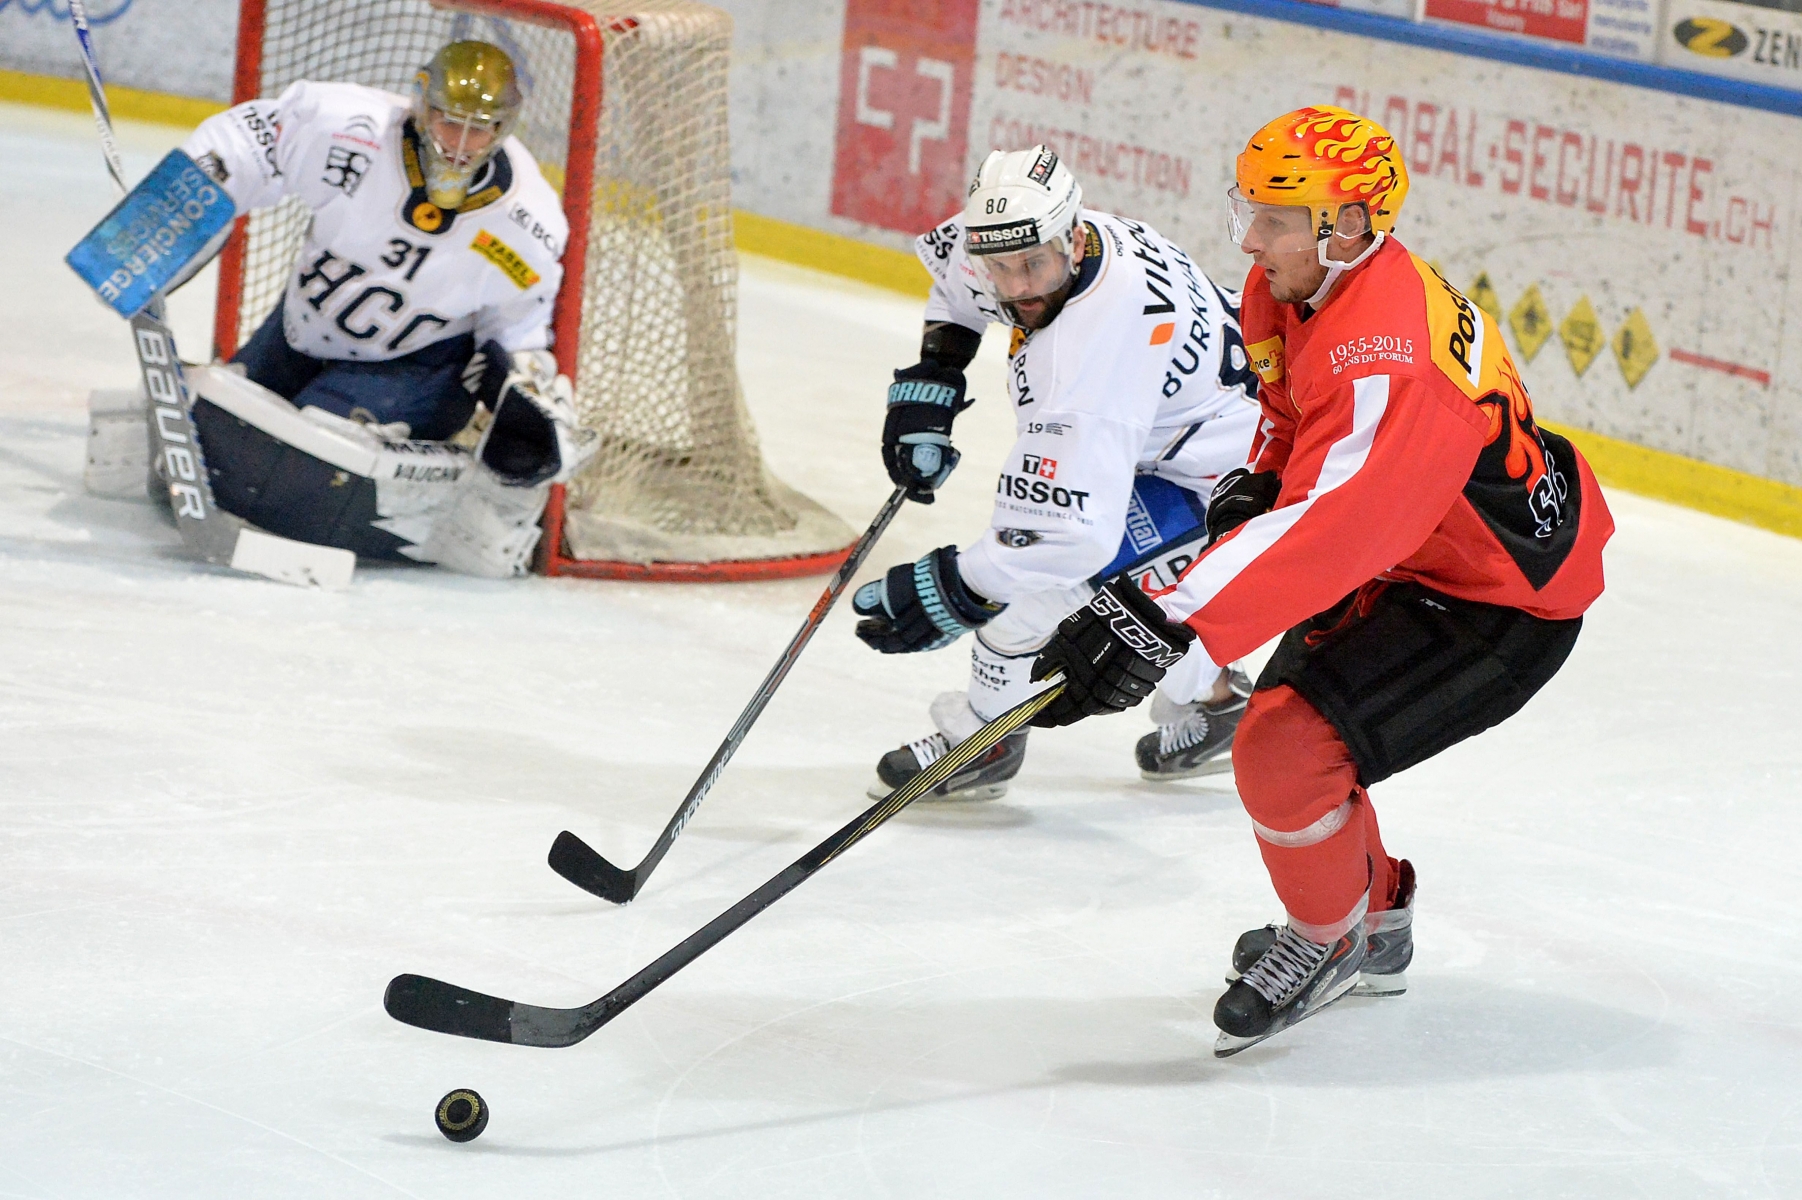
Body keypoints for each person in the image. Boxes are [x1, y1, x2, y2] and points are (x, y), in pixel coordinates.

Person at [1025, 106, 1614, 1055]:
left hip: (1496, 600)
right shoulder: (1297, 288)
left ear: (1348, 225)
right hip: (1415, 550)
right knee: (1291, 740)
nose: (1251, 240)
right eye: (1249, 210)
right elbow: (1291, 414)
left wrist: (1161, 616)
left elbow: (1332, 526)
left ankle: (1330, 937)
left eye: (1276, 218)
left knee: (1285, 751)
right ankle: (1372, 917)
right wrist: (1257, 474)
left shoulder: (1388, 358)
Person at [850, 146, 1262, 800]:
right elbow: (959, 285)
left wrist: (954, 588)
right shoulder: (1028, 236)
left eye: (1033, 266)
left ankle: (982, 741)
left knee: (1024, 598)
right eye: (1002, 268)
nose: (1018, 287)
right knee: (1131, 606)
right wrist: (936, 376)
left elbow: (1067, 539)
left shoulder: (1092, 351)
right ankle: (1218, 702)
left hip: (1229, 481)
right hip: (1172, 440)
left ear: (1072, 240)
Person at [169, 40, 592, 575]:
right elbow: (250, 140)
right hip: (299, 330)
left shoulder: (526, 224)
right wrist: (190, 192)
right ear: (421, 102)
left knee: (306, 461)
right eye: (448, 121)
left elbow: (519, 331)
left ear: (504, 128)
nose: (460, 145)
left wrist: (525, 395)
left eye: (479, 128)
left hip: (413, 367)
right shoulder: (353, 130)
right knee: (218, 425)